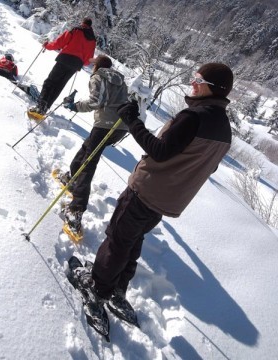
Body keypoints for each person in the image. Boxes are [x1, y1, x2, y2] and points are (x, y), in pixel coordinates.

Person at [71, 63, 234, 326]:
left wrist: (132, 119)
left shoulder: (194, 116)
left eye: (198, 79)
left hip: (146, 190)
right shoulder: (224, 131)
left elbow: (159, 150)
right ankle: (117, 288)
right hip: (168, 200)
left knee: (118, 239)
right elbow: (208, 167)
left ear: (212, 87)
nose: (192, 83)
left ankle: (97, 287)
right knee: (132, 240)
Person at [56, 55, 129, 236]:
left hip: (105, 125)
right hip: (120, 127)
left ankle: (76, 211)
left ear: (97, 66)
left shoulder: (98, 77)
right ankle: (72, 178)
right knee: (87, 149)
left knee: (89, 163)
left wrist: (75, 106)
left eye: (93, 64)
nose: (91, 67)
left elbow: (97, 101)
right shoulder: (120, 80)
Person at [28, 17, 96, 118]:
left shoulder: (75, 30)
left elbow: (59, 43)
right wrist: (80, 61)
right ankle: (45, 108)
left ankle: (40, 106)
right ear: (90, 26)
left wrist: (47, 46)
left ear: (82, 23)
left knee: (50, 82)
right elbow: (88, 60)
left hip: (64, 59)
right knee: (59, 86)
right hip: (75, 65)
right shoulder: (93, 40)